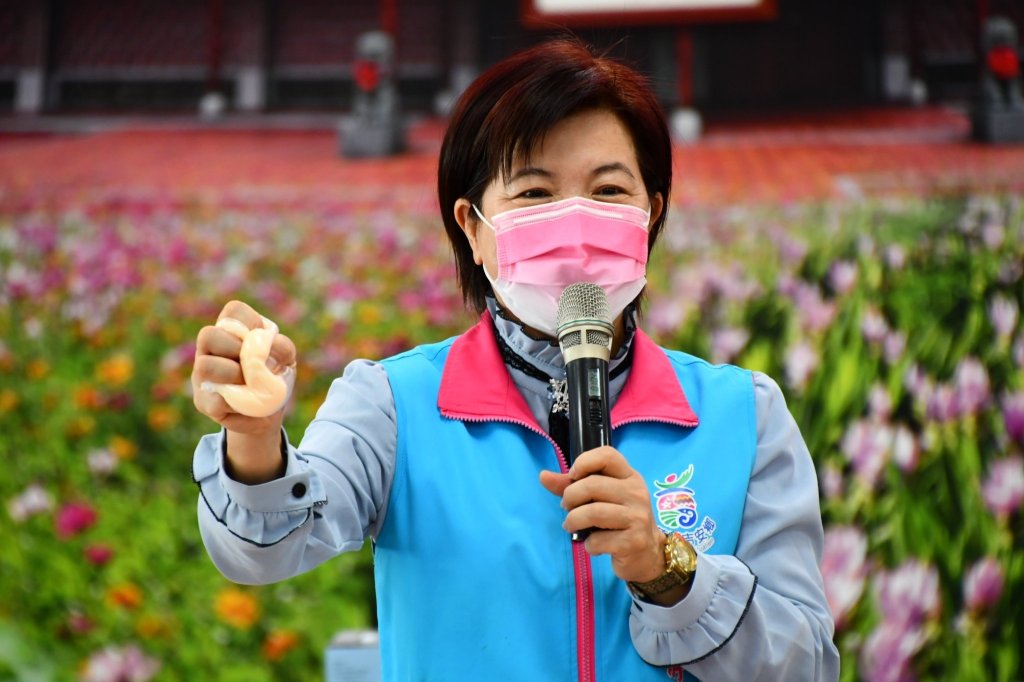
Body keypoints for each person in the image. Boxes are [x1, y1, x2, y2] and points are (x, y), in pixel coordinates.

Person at [191, 38, 839, 681]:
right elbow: (263, 551)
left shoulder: (743, 416)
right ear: (472, 227)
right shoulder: (393, 406)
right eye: (534, 192)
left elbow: (806, 666)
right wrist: (253, 437)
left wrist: (669, 571)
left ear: (652, 215)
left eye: (609, 189)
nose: (575, 221)